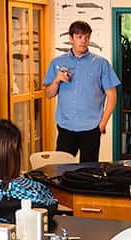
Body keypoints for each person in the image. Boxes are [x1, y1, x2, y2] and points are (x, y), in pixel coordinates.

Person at [43, 20, 119, 162]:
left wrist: (102, 124)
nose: (83, 41)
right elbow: (49, 94)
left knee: (88, 174)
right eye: (79, 37)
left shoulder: (101, 64)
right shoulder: (57, 63)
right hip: (65, 127)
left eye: (86, 37)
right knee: (61, 171)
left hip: (91, 128)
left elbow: (112, 96)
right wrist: (57, 80)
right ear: (71, 39)